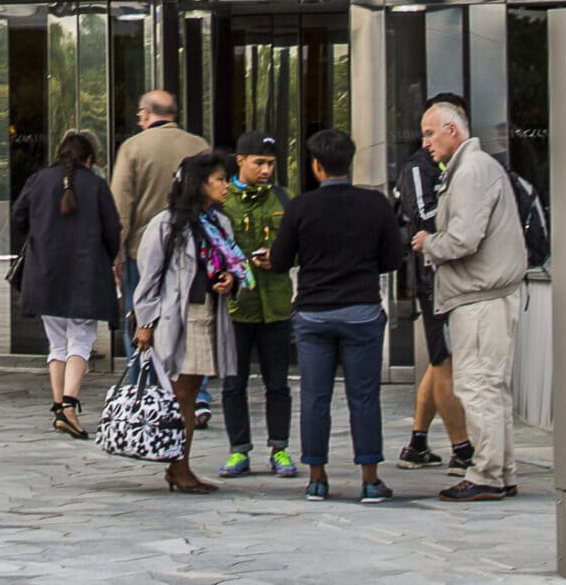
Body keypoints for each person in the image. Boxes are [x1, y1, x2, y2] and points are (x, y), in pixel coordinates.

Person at [269, 130, 403, 504]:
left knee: (314, 396)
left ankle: (316, 477)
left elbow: (281, 261)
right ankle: (370, 479)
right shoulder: (375, 204)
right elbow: (393, 260)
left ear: (315, 166)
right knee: (364, 397)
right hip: (361, 310)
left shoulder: (300, 207)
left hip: (313, 313)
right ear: (351, 160)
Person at [412, 100, 527, 501]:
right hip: (489, 295)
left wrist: (429, 243)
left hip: (479, 298)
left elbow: (463, 239)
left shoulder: (470, 172)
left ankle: (486, 475)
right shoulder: (476, 169)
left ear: (452, 131)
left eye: (430, 132)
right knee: (492, 387)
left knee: (477, 386)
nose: (425, 142)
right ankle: (501, 471)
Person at [132, 150, 244, 493]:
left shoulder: (219, 223)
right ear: (199, 184)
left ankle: (180, 463)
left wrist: (231, 280)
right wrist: (145, 322)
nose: (226, 186)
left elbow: (229, 264)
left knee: (191, 392)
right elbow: (149, 276)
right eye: (220, 179)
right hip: (180, 316)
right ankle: (178, 466)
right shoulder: (167, 224)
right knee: (182, 392)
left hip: (210, 312)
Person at [13, 128, 120, 438]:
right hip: (85, 275)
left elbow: (18, 217)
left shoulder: (38, 180)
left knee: (57, 342)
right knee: (81, 339)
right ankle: (69, 405)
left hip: (45, 273)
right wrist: (108, 256)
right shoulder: (97, 185)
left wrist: (39, 236)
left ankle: (58, 403)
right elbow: (113, 230)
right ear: (90, 158)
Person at [396, 93, 472, 476]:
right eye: (426, 133)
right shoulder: (417, 168)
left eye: (431, 133)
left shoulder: (464, 166)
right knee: (444, 361)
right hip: (432, 277)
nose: (428, 142)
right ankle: (462, 449)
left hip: (459, 273)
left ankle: (418, 442)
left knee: (440, 361)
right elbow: (423, 218)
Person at [219, 131, 296, 479]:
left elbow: (298, 245)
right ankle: (239, 450)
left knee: (277, 383)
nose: (265, 170)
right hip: (237, 308)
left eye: (270, 164)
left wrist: (278, 259)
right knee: (234, 383)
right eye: (259, 163)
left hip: (276, 306)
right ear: (241, 161)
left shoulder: (283, 197)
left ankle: (279, 447)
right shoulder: (224, 202)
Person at [110, 91, 208, 353]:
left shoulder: (133, 147)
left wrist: (115, 254)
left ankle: (142, 384)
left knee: (141, 319)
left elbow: (121, 206)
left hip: (140, 252)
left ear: (145, 114)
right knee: (190, 320)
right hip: (191, 247)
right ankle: (191, 388)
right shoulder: (199, 145)